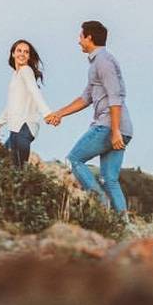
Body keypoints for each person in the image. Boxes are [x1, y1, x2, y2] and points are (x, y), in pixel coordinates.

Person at [45, 21, 133, 216]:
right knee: (109, 179)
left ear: (89, 38)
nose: (78, 41)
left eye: (80, 36)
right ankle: (122, 225)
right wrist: (59, 114)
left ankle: (100, 206)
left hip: (110, 126)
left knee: (74, 159)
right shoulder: (98, 63)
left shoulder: (103, 61)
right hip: (121, 128)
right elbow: (85, 98)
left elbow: (115, 96)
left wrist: (115, 131)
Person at [0, 39, 53, 168]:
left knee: (16, 172)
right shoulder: (16, 75)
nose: (22, 54)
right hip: (16, 129)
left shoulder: (25, 70)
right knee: (2, 164)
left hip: (24, 127)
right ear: (13, 53)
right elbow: (11, 105)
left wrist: (47, 113)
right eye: (19, 51)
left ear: (29, 56)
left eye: (26, 52)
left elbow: (34, 91)